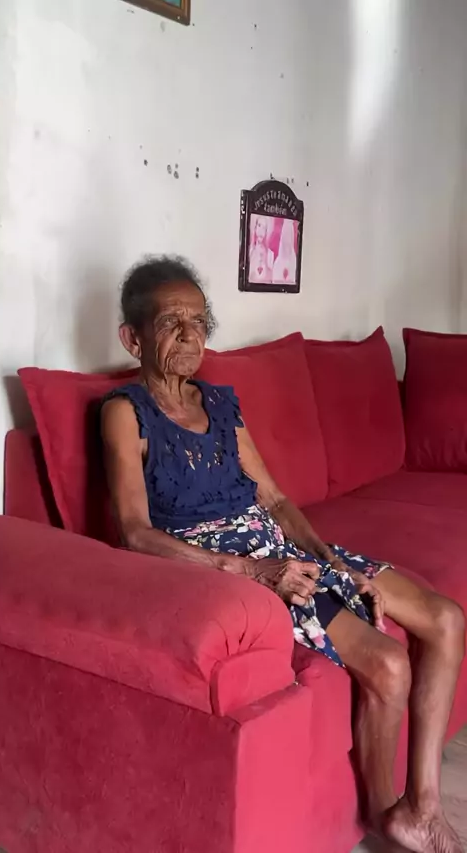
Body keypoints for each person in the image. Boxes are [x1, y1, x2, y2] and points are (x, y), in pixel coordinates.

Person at [101, 255, 465, 853]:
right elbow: (134, 532)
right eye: (171, 323)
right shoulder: (125, 412)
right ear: (132, 338)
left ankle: (421, 807)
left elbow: (271, 496)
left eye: (199, 321)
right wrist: (253, 571)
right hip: (225, 566)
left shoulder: (220, 403)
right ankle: (384, 816)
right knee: (390, 664)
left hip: (277, 543)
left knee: (445, 618)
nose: (191, 336)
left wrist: (332, 560)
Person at [249, 215, 274, 283]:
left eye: (264, 228)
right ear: (255, 228)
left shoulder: (270, 255)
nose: (261, 230)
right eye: (259, 225)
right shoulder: (250, 252)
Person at [273, 218, 298, 284]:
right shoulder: (277, 263)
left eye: (289, 236)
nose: (287, 240)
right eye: (286, 236)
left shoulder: (294, 262)